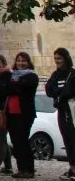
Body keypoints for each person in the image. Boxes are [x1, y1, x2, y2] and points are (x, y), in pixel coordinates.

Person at [6, 52, 39, 179]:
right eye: (18, 60)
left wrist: (12, 85)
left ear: (28, 62)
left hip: (24, 113)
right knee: (15, 141)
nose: (20, 63)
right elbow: (8, 89)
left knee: (23, 141)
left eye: (23, 60)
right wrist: (12, 85)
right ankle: (21, 168)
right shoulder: (12, 76)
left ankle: (29, 169)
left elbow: (15, 88)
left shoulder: (31, 76)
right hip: (12, 112)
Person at [47, 48, 75, 180]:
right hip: (62, 111)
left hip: (72, 111)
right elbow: (49, 90)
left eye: (59, 58)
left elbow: (70, 91)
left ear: (66, 58)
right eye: (55, 58)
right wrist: (60, 92)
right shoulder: (55, 74)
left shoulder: (72, 74)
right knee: (67, 139)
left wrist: (60, 92)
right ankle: (72, 167)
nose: (57, 61)